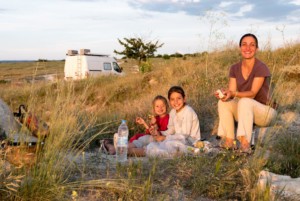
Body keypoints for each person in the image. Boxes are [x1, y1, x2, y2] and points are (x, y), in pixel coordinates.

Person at [214, 33, 277, 153]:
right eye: (244, 45)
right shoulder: (234, 68)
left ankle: (245, 145)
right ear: (240, 47)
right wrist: (224, 94)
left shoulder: (261, 67)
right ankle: (229, 141)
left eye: (252, 45)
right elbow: (232, 94)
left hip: (266, 112)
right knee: (223, 103)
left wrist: (233, 93)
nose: (248, 48)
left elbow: (252, 93)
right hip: (245, 110)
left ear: (257, 49)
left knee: (245, 101)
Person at [104, 95, 169, 156]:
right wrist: (144, 123)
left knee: (141, 140)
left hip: (160, 140)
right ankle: (119, 147)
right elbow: (150, 132)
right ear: (154, 108)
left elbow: (161, 134)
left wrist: (155, 124)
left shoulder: (168, 118)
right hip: (151, 138)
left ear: (167, 106)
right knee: (139, 141)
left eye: (162, 106)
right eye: (157, 106)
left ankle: (117, 147)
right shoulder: (155, 118)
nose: (160, 108)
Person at [146, 86, 201, 157]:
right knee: (154, 142)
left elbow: (184, 135)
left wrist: (165, 138)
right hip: (177, 139)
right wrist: (159, 133)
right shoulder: (173, 112)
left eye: (179, 98)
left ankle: (146, 152)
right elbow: (171, 130)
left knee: (167, 145)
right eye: (172, 99)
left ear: (184, 99)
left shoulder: (188, 111)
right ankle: (142, 150)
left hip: (191, 142)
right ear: (169, 101)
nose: (176, 102)